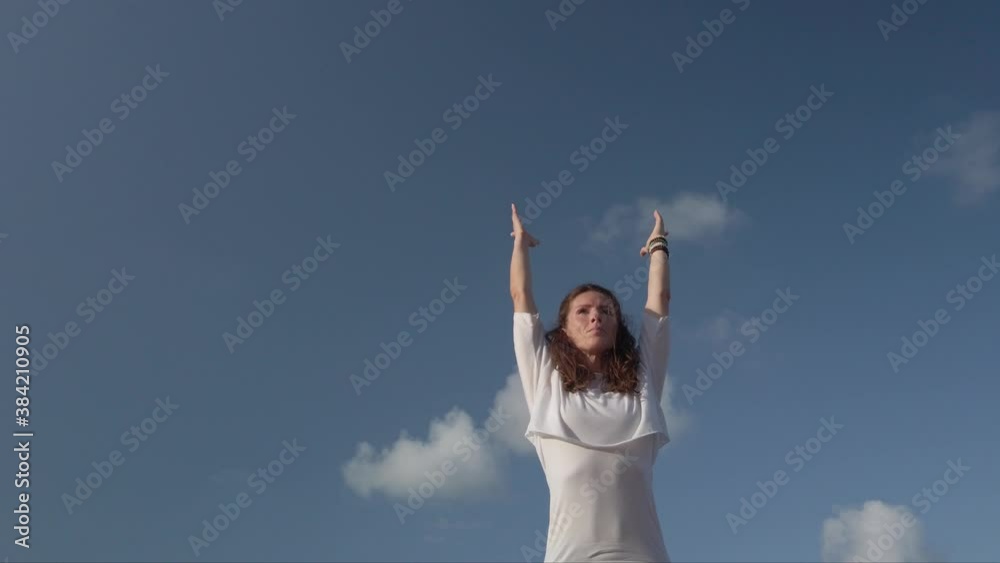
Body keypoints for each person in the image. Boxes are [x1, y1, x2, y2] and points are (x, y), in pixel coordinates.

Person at [510, 203, 673, 562]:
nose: (595, 316)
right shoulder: (546, 384)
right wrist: (520, 243)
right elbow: (522, 302)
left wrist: (658, 248)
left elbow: (658, 306)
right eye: (583, 311)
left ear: (618, 326)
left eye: (606, 311)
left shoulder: (642, 385)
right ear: (564, 330)